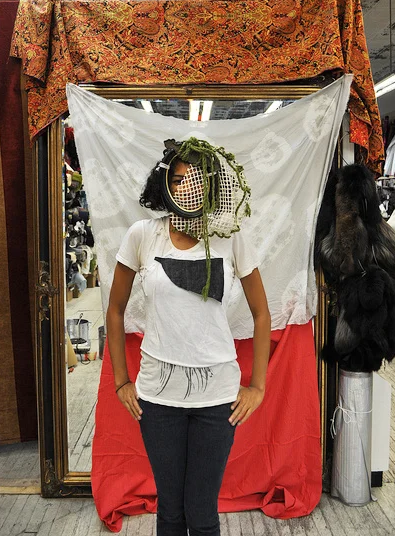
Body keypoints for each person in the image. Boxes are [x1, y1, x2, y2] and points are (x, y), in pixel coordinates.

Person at [106, 138, 271, 536]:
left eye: (196, 180)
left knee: (202, 512)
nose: (186, 188)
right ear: (165, 184)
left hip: (217, 399)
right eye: (178, 180)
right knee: (170, 510)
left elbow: (262, 313)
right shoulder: (143, 235)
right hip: (157, 399)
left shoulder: (230, 237)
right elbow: (114, 309)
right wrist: (121, 381)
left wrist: (258, 387)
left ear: (211, 185)